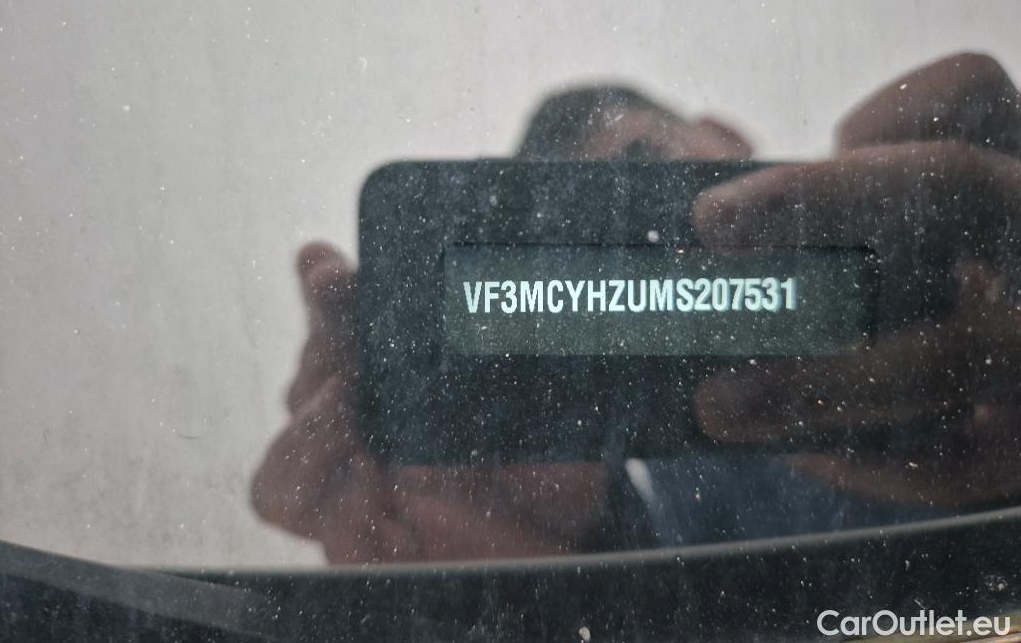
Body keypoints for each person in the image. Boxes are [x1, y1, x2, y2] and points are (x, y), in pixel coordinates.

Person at [251, 52, 1021, 563]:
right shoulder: (664, 488)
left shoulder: (946, 223)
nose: (648, 249)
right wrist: (545, 568)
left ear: (723, 135)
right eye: (584, 245)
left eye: (644, 173)